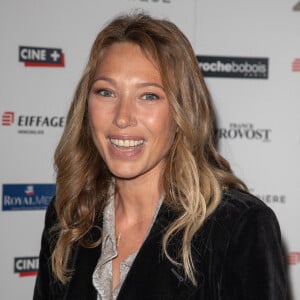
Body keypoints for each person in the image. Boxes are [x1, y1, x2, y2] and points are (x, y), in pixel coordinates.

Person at [33, 13, 287, 300]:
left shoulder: (237, 228)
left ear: (182, 112)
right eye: (106, 92)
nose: (122, 118)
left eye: (149, 96)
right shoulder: (69, 215)